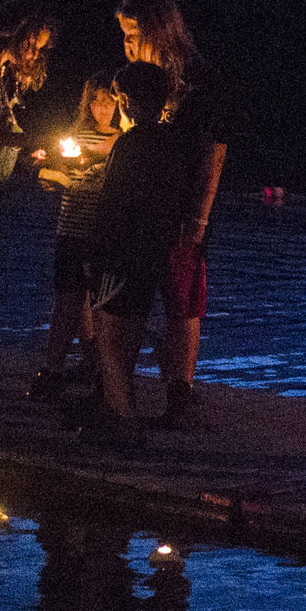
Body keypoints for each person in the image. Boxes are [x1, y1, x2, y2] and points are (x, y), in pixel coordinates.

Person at [117, 0, 241, 430]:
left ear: (157, 30)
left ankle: (179, 394)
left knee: (182, 298)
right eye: (124, 36)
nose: (127, 46)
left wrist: (200, 215)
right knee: (131, 298)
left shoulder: (197, 80)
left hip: (182, 207)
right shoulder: (140, 80)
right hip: (143, 206)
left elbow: (215, 148)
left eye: (133, 35)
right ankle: (117, 390)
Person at [81, 63, 207, 450]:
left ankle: (123, 418)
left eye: (120, 98)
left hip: (121, 253)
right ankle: (119, 413)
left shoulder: (130, 143)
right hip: (154, 249)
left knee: (108, 335)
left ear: (128, 102)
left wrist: (96, 249)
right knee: (129, 329)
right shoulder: (175, 142)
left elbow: (114, 203)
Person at [30, 74, 134, 400]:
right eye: (95, 100)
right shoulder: (73, 136)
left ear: (118, 103)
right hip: (70, 230)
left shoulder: (123, 140)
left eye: (108, 100)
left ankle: (104, 377)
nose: (101, 107)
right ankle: (53, 371)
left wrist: (92, 157)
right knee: (65, 304)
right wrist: (48, 174)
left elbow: (117, 169)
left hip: (101, 235)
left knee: (103, 311)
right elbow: (49, 169)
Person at [0, 0, 60, 308]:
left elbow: (3, 146)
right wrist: (30, 139)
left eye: (41, 48)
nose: (35, 53)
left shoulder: (6, 79)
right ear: (16, 32)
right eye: (33, 43)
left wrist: (31, 164)